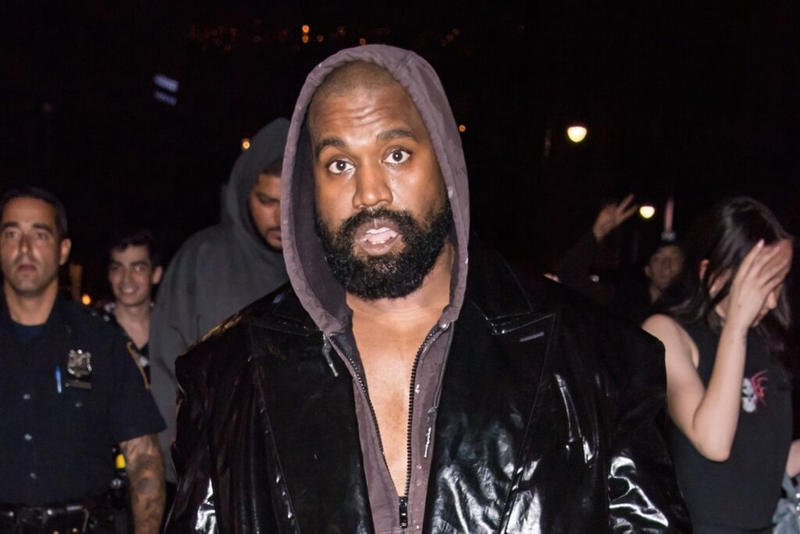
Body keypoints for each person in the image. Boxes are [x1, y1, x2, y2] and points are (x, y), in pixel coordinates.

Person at [167, 45, 688, 532]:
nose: (369, 193)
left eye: (396, 154)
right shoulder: (228, 375)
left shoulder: (597, 360)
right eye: (340, 164)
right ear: (310, 186)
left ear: (445, 162)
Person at [0, 186, 166, 533]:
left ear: (63, 250)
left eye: (40, 235)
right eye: (12, 234)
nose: (25, 248)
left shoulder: (101, 342)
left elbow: (144, 460)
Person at [643, 197, 797, 533]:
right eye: (762, 284)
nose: (772, 300)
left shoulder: (763, 343)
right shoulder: (666, 332)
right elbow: (713, 441)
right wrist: (736, 327)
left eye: (778, 283)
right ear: (710, 276)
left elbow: (769, 464)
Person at [149, 118, 289, 473]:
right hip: (215, 471)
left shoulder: (324, 268)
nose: (279, 215)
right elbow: (167, 372)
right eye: (266, 200)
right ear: (244, 194)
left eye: (289, 201)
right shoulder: (201, 259)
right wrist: (181, 470)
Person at [559, 194, 685, 324]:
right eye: (658, 257)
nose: (666, 263)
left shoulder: (691, 312)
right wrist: (599, 231)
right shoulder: (625, 301)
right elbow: (570, 276)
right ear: (647, 269)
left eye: (675, 257)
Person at [103, 230, 163, 380]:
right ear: (109, 275)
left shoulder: (174, 332)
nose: (126, 279)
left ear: (156, 274)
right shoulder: (91, 330)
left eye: (137, 268)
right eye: (117, 268)